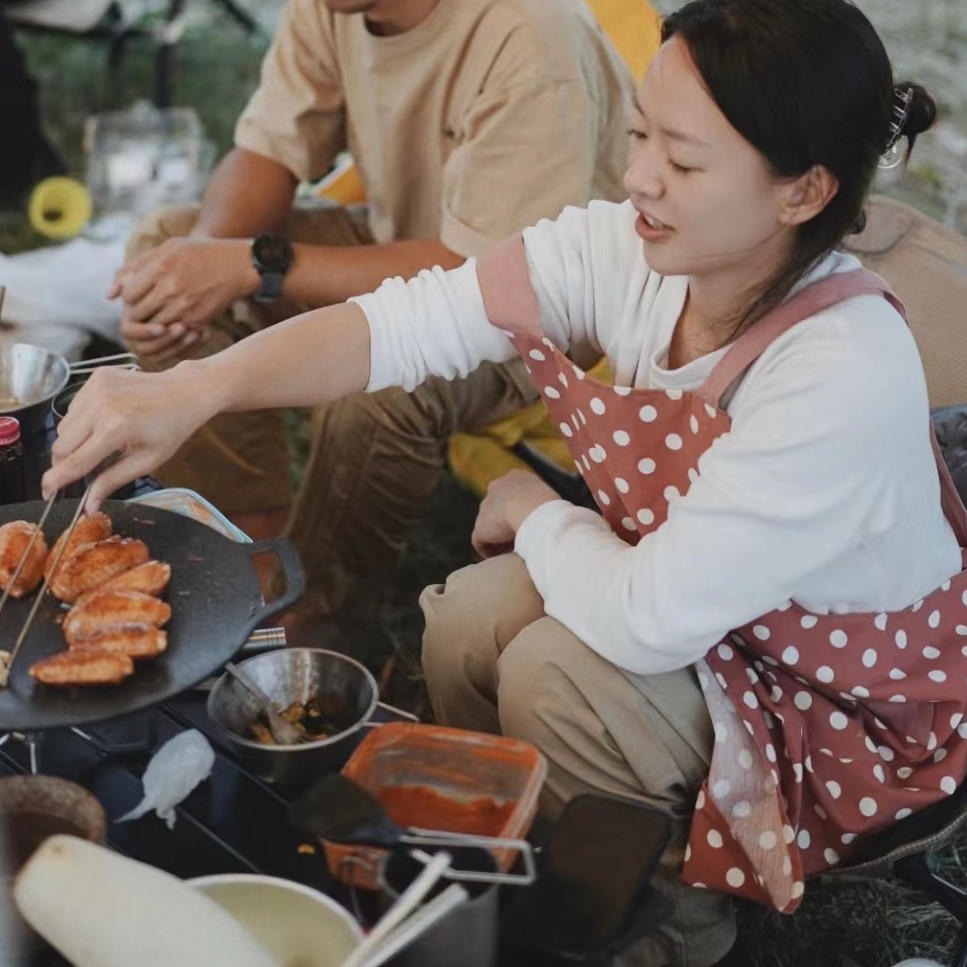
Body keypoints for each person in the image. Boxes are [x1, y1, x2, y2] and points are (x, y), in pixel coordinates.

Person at [46, 0, 960, 963]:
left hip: (837, 698)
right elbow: (411, 321)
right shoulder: (637, 251)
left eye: (683, 162)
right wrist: (193, 388)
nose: (639, 174)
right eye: (642, 132)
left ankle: (667, 929)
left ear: (800, 191)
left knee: (552, 672)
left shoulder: (838, 367)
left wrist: (535, 512)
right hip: (717, 608)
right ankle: (517, 864)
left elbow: (651, 619)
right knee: (467, 617)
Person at [110, 0, 633, 636]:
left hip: (540, 319)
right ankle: (241, 543)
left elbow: (485, 283)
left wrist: (252, 265)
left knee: (376, 393)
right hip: (417, 252)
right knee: (166, 242)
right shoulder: (335, 5)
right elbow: (268, 152)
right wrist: (190, 276)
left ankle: (302, 626)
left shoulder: (530, 35)